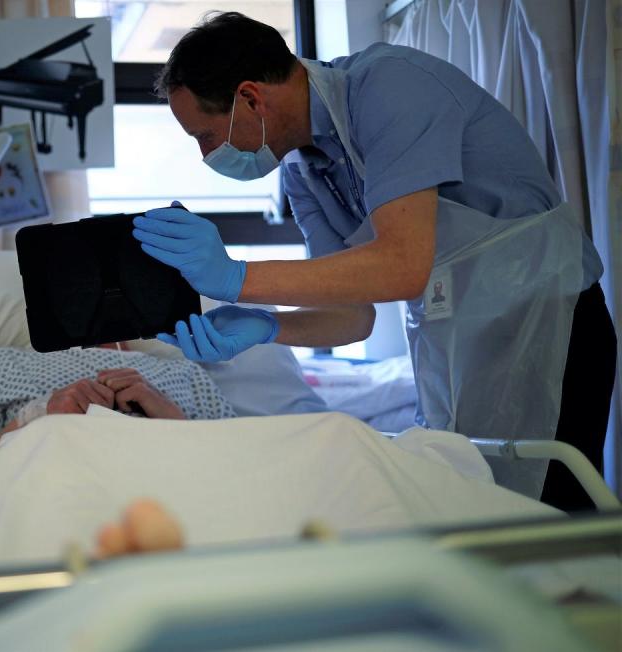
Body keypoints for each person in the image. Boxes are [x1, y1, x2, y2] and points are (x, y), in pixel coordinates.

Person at [131, 12, 616, 507]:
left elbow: (403, 266)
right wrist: (267, 327)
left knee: (557, 516)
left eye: (205, 137)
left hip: (550, 320)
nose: (205, 155)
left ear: (251, 98)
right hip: (458, 345)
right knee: (483, 512)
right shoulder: (304, 171)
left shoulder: (389, 88)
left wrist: (237, 278)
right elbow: (352, 316)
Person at [0, 344, 236, 482]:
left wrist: (174, 422)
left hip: (167, 496)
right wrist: (33, 419)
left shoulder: (185, 374)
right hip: (40, 492)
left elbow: (241, 466)